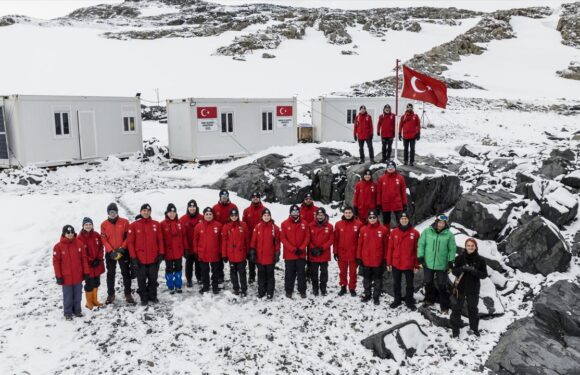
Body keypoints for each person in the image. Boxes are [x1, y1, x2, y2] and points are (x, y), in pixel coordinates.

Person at [418, 214, 457, 314]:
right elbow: (421, 244)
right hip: (428, 263)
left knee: (442, 285)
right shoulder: (427, 231)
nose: (441, 225)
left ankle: (444, 306)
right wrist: (421, 257)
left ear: (445, 224)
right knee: (428, 282)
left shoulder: (449, 235)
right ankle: (429, 300)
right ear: (436, 222)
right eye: (439, 222)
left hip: (442, 265)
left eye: (443, 223)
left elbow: (452, 249)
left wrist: (450, 261)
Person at [127, 204, 165, 306]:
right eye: (144, 210)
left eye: (148, 210)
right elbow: (130, 243)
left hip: (153, 259)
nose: (146, 212)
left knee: (153, 279)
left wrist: (161, 253)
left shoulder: (156, 224)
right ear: (140, 212)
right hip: (140, 259)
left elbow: (160, 240)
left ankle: (152, 296)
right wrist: (133, 257)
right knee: (141, 280)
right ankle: (144, 298)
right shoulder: (134, 225)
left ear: (150, 212)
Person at [450, 238, 488, 337]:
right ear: (465, 247)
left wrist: (473, 271)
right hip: (460, 289)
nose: (470, 247)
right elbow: (454, 271)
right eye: (468, 245)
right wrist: (462, 268)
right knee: (456, 309)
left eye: (472, 246)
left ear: (475, 247)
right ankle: (455, 330)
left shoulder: (480, 260)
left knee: (473, 309)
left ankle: (474, 329)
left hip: (473, 289)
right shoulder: (459, 258)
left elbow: (484, 275)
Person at [100, 203, 134, 305]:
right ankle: (111, 294)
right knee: (111, 274)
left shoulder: (124, 222)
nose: (113, 214)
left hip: (122, 252)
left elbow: (128, 237)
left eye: (114, 212)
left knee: (125, 273)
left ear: (117, 212)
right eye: (111, 212)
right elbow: (103, 239)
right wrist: (110, 251)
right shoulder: (104, 224)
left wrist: (122, 248)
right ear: (108, 213)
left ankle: (128, 294)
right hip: (110, 253)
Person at [53, 225, 89, 320]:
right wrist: (58, 276)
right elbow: (56, 263)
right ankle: (68, 312)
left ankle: (77, 310)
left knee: (78, 295)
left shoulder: (79, 244)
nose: (70, 234)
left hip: (78, 275)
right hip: (66, 277)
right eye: (68, 233)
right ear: (64, 234)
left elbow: (84, 259)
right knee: (68, 296)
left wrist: (86, 272)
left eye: (72, 232)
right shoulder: (58, 247)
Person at [386, 212, 420, 310]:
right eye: (402, 218)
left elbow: (417, 250)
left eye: (405, 218)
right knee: (396, 283)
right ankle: (397, 300)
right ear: (399, 220)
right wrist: (388, 262)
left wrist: (416, 265)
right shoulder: (394, 232)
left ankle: (409, 301)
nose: (404, 220)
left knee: (409, 284)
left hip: (409, 263)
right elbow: (390, 248)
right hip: (396, 263)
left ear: (408, 220)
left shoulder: (415, 233)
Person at [356, 209, 389, 305]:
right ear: (368, 218)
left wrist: (385, 259)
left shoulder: (383, 230)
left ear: (377, 218)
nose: (372, 219)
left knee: (378, 279)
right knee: (366, 278)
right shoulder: (363, 229)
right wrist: (359, 257)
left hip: (378, 260)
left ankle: (376, 296)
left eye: (374, 217)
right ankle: (367, 295)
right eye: (370, 217)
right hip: (366, 260)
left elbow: (386, 246)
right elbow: (359, 244)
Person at [249, 208, 280, 299]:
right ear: (262, 217)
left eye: (268, 215)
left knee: (270, 275)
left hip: (270, 257)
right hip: (260, 257)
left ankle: (270, 292)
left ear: (270, 216)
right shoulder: (257, 227)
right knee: (261, 275)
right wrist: (252, 251)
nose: (266, 217)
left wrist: (277, 253)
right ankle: (261, 291)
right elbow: (253, 241)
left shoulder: (275, 228)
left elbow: (277, 243)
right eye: (265, 215)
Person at [281, 204, 310, 299]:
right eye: (293, 212)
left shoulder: (304, 223)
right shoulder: (284, 223)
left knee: (301, 273)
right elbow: (283, 239)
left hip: (301, 254)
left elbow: (307, 237)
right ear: (290, 213)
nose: (295, 213)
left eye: (297, 211)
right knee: (289, 274)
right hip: (290, 254)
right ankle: (288, 290)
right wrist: (293, 249)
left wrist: (301, 248)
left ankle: (302, 290)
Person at [334, 206, 362, 296]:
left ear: (352, 213)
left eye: (349, 213)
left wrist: (359, 255)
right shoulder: (338, 224)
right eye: (346, 213)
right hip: (342, 252)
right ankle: (343, 286)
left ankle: (352, 288)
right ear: (344, 213)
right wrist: (335, 252)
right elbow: (336, 239)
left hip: (353, 253)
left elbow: (360, 241)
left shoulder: (358, 224)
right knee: (342, 271)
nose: (348, 214)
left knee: (353, 272)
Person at [193, 207, 223, 294]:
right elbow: (195, 240)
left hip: (215, 253)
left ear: (213, 215)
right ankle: (206, 287)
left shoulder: (218, 225)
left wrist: (221, 252)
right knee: (204, 271)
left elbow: (221, 240)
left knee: (215, 271)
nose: (208, 216)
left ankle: (215, 287)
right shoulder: (198, 226)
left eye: (210, 214)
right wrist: (196, 251)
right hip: (203, 253)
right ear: (204, 215)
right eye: (207, 214)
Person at [221, 208, 250, 296]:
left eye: (236, 215)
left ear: (238, 216)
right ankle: (236, 288)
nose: (234, 217)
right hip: (231, 255)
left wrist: (248, 252)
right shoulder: (226, 226)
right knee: (233, 272)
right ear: (230, 216)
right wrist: (224, 255)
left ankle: (244, 289)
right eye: (232, 215)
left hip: (241, 254)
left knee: (242, 272)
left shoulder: (243, 225)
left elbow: (247, 240)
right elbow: (224, 241)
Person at [78, 217, 105, 310]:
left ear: (92, 225)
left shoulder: (96, 235)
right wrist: (91, 260)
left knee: (97, 282)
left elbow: (101, 247)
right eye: (86, 225)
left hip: (97, 264)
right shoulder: (79, 238)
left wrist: (99, 258)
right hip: (88, 265)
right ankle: (89, 302)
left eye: (90, 224)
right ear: (83, 226)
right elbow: (81, 253)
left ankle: (95, 300)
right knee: (89, 283)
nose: (88, 226)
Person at [160, 203, 188, 295]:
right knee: (169, 269)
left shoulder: (180, 223)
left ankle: (178, 285)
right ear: (166, 213)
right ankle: (171, 286)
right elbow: (161, 239)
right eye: (170, 212)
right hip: (168, 252)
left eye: (173, 212)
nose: (172, 214)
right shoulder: (162, 224)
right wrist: (162, 252)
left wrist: (186, 249)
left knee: (178, 268)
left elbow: (184, 237)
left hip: (178, 251)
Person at [213, 190, 238, 284]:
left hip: (232, 236)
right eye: (222, 196)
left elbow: (237, 219)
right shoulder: (215, 208)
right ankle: (220, 276)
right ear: (220, 197)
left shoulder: (233, 207)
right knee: (219, 256)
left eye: (226, 196)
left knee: (233, 255)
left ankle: (234, 276)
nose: (224, 197)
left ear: (228, 196)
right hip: (218, 236)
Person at [308, 208, 334, 296]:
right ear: (316, 216)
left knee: (324, 272)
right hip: (314, 253)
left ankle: (323, 288)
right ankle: (315, 288)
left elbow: (331, 239)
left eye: (322, 215)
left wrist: (322, 248)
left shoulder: (329, 226)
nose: (320, 217)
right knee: (314, 272)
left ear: (325, 216)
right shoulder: (310, 225)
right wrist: (313, 248)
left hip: (324, 253)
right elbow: (308, 238)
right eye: (318, 215)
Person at [243, 192, 266, 284]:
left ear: (260, 198)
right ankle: (252, 275)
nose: (255, 198)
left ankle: (262, 276)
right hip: (250, 238)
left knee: (261, 257)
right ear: (251, 198)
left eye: (257, 197)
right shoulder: (246, 211)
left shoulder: (264, 210)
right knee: (251, 257)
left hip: (262, 238)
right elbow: (244, 225)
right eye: (253, 197)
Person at [377, 161, 407, 228]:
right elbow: (379, 192)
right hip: (385, 203)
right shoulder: (382, 179)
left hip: (397, 203)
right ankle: (387, 235)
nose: (390, 168)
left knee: (400, 220)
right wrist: (378, 204)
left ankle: (400, 235)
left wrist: (404, 203)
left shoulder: (400, 178)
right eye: (389, 167)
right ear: (386, 168)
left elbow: (403, 191)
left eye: (392, 167)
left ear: (395, 168)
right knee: (386, 221)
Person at [180, 200, 202, 287]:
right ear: (188, 208)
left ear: (196, 208)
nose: (192, 208)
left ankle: (199, 278)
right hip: (188, 247)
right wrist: (183, 248)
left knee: (198, 264)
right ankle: (189, 279)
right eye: (190, 207)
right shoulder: (182, 219)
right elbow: (181, 234)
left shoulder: (201, 217)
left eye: (194, 207)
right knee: (188, 264)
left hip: (199, 246)